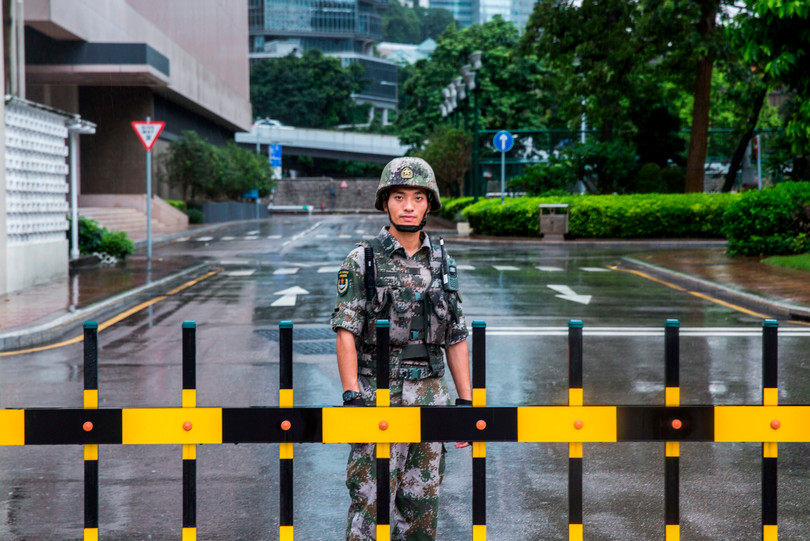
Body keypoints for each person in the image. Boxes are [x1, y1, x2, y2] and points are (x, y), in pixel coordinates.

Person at [331, 157, 472, 540]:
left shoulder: (443, 262)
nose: (408, 206)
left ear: (429, 204)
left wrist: (465, 403)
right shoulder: (364, 260)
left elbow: (456, 336)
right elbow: (346, 331)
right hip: (379, 395)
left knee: (422, 510)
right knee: (370, 507)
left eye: (417, 197)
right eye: (398, 196)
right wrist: (351, 396)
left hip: (430, 395)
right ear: (385, 203)